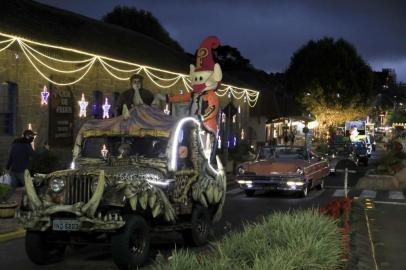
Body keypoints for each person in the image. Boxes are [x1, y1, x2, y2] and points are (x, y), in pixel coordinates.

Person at [5, 130, 49, 201]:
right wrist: (45, 150)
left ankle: (3, 201)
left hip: (13, 170)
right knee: (30, 188)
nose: (33, 138)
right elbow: (34, 155)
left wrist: (7, 168)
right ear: (27, 136)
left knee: (12, 187)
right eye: (32, 136)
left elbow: (11, 157)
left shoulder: (15, 144)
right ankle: (35, 203)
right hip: (22, 172)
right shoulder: (26, 145)